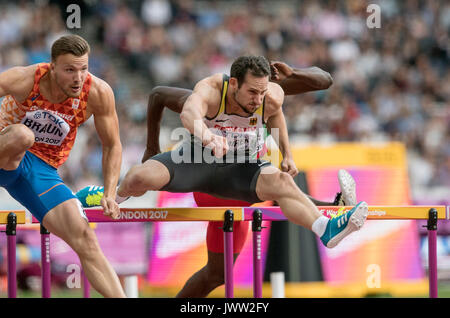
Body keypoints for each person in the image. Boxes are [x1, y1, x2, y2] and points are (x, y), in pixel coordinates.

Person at [77, 56, 366, 297]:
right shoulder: (213, 89)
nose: (257, 100)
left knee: (281, 184)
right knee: (138, 177)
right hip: (198, 159)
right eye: (252, 92)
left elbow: (289, 105)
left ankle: (326, 227)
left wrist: (287, 153)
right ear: (235, 84)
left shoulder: (269, 96)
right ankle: (106, 197)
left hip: (241, 171)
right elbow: (188, 112)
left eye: (262, 92)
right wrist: (205, 137)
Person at [0, 34, 125, 297]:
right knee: (23, 136)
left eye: (83, 69)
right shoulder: (25, 79)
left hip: (40, 169)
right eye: (69, 70)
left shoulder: (98, 93)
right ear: (52, 67)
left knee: (87, 241)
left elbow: (112, 145)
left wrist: (111, 193)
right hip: (6, 150)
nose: (78, 78)